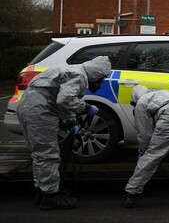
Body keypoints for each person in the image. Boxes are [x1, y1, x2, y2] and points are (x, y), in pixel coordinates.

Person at [17, 55, 111, 210]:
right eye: (101, 79)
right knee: (48, 154)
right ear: (96, 73)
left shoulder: (72, 70)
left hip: (30, 108)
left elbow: (63, 102)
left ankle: (41, 191)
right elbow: (65, 100)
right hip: (40, 110)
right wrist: (86, 108)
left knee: (39, 154)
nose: (100, 84)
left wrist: (70, 121)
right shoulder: (79, 75)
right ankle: (51, 196)